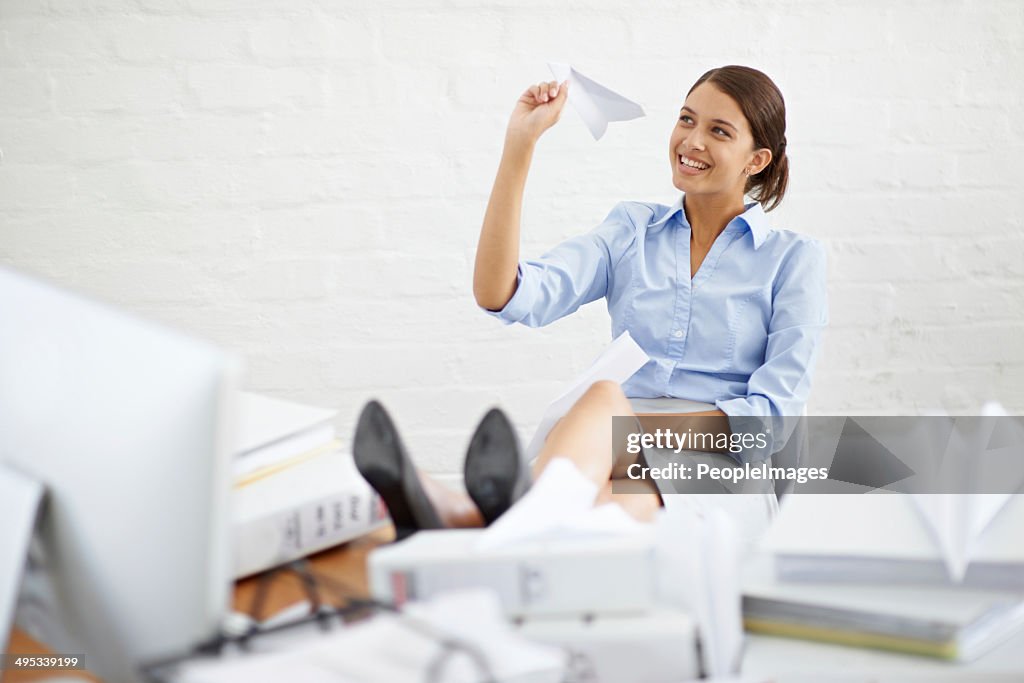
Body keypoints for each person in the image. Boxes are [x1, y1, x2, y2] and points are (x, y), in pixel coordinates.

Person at [356, 66, 827, 538]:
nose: (692, 141)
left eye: (718, 131)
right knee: (589, 481)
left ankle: (463, 513)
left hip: (716, 463)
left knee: (603, 465)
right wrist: (521, 146)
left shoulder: (791, 259)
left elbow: (771, 418)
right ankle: (480, 521)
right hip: (609, 444)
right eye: (686, 119)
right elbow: (503, 294)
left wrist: (635, 423)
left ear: (757, 160)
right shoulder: (631, 231)